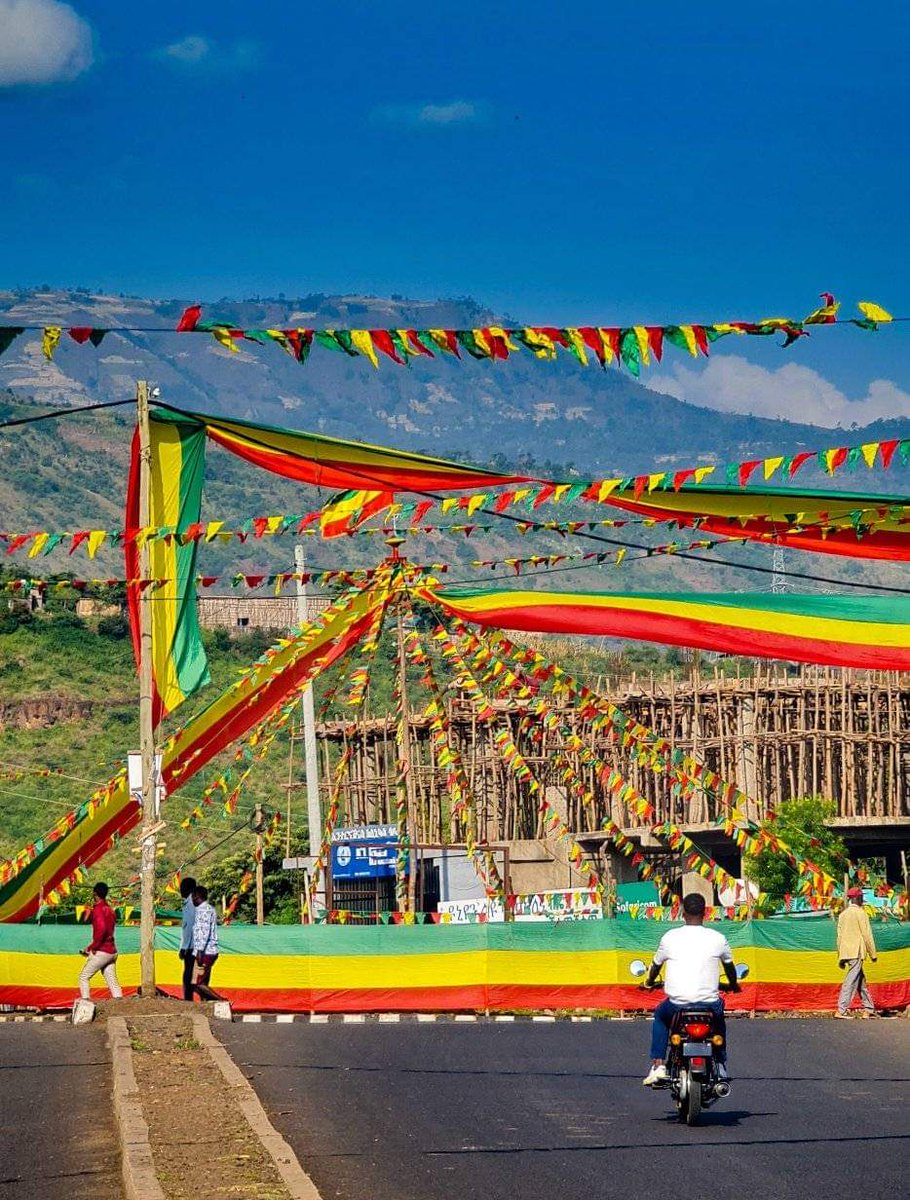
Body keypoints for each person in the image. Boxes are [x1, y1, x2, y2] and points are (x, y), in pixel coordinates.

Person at [642, 893, 740, 1087]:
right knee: (719, 1022)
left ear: (682, 913)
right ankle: (720, 1064)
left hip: (677, 1005)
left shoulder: (670, 937)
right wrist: (734, 985)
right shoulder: (718, 938)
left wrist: (648, 982)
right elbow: (729, 967)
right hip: (709, 1005)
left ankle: (659, 1065)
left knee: (660, 1017)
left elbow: (655, 965)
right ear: (705, 913)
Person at [835, 887, 877, 1018]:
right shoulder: (861, 913)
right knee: (851, 980)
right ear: (857, 898)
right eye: (861, 897)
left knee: (860, 980)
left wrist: (840, 958)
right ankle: (841, 1010)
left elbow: (839, 937)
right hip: (856, 951)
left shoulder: (843, 915)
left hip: (846, 952)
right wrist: (873, 954)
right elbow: (867, 935)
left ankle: (868, 1009)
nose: (862, 900)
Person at [78, 882, 123, 1000]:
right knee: (112, 981)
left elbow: (102, 930)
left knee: (84, 977)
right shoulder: (110, 910)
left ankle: (85, 1008)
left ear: (94, 893)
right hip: (112, 952)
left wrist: (93, 948)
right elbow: (108, 931)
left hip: (102, 951)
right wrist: (89, 947)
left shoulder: (98, 909)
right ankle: (120, 1006)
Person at [190, 884, 220, 1001]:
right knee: (202, 982)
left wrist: (199, 952)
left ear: (196, 896)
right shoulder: (208, 909)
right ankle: (206, 1006)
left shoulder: (204, 910)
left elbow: (204, 932)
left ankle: (223, 1001)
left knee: (198, 983)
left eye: (192, 896)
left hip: (205, 952)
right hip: (207, 951)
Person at [178, 876, 197, 1002]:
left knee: (188, 975)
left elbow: (190, 927)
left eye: (182, 887)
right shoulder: (192, 903)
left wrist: (184, 948)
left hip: (192, 947)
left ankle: (188, 1000)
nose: (180, 890)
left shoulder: (190, 905)